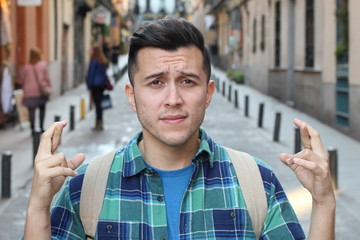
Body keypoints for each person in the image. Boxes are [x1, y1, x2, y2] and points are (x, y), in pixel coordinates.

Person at [23, 16, 335, 239]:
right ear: (132, 96)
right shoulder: (85, 190)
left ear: (209, 93)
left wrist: (323, 204)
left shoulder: (256, 184)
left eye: (187, 81)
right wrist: (38, 206)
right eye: (156, 82)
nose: (173, 99)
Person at [21, 48, 51, 135]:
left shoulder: (26, 67)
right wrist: (48, 87)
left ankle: (32, 129)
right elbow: (47, 78)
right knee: (42, 109)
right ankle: (41, 127)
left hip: (29, 93)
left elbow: (24, 80)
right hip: (40, 92)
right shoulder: (43, 65)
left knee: (31, 111)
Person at [86, 44, 109, 131]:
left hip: (95, 85)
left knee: (97, 105)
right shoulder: (102, 60)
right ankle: (100, 122)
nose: (89, 51)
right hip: (102, 85)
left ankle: (98, 123)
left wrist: (88, 86)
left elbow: (90, 75)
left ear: (94, 51)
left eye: (91, 50)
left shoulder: (94, 61)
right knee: (99, 104)